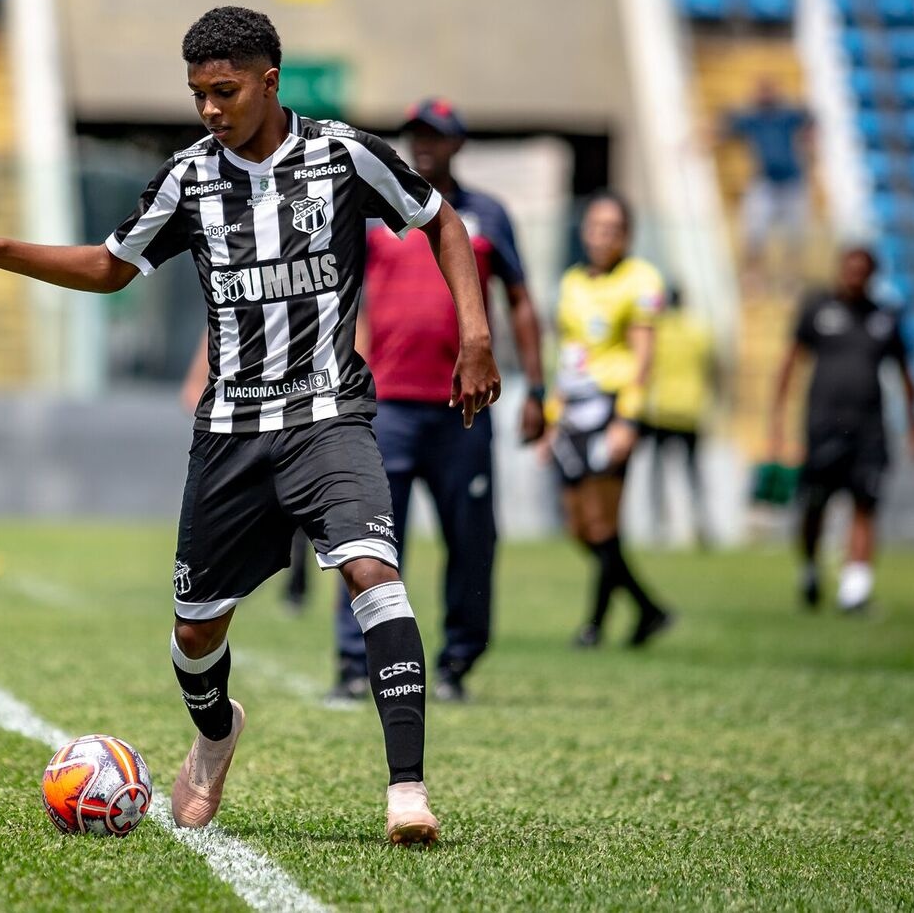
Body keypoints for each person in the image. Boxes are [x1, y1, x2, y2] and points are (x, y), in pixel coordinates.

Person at [0, 6, 500, 846]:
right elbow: (112, 268)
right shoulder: (187, 178)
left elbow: (438, 216)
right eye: (197, 94)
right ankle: (217, 734)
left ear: (269, 80)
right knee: (195, 632)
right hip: (229, 432)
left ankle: (405, 790)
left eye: (224, 91)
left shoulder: (343, 155)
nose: (210, 110)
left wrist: (474, 334)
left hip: (329, 413)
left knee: (374, 571)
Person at [329, 98, 545, 705]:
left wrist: (538, 387)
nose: (424, 144)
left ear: (458, 144)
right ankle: (353, 664)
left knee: (471, 539)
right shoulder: (377, 213)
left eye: (437, 136)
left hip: (464, 409)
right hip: (387, 409)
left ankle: (456, 664)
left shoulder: (486, 215)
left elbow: (522, 301)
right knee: (366, 541)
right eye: (417, 134)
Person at [544, 193, 672, 648]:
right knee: (578, 526)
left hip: (611, 408)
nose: (603, 236)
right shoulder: (572, 281)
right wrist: (550, 418)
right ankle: (648, 608)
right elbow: (567, 356)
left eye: (613, 228)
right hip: (574, 412)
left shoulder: (641, 280)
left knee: (602, 523)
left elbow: (643, 359)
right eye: (596, 226)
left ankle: (594, 626)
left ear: (627, 235)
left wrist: (628, 421)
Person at [767, 245, 914, 612]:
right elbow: (790, 362)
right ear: (840, 270)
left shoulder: (885, 317)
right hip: (823, 426)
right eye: (849, 268)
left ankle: (855, 591)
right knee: (815, 504)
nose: (854, 276)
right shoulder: (817, 308)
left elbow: (906, 373)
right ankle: (809, 566)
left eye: (862, 270)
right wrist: (776, 422)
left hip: (869, 429)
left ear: (872, 275)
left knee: (865, 505)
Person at [180, 335, 313, 614]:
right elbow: (191, 391)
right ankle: (227, 585)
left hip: (296, 434)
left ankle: (296, 588)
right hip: (236, 444)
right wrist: (224, 419)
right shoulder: (224, 325)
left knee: (299, 516)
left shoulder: (304, 325)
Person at [640, 287, 717, 549]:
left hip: (661, 410)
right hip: (690, 410)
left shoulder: (657, 331)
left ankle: (658, 527)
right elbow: (712, 365)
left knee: (657, 473)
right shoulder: (698, 330)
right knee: (693, 472)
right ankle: (700, 522)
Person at [723, 78, 813, 284]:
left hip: (792, 182)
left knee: (795, 235)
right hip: (764, 182)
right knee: (754, 231)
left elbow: (809, 118)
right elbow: (726, 126)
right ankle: (753, 276)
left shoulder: (788, 115)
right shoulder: (751, 119)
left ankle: (791, 277)